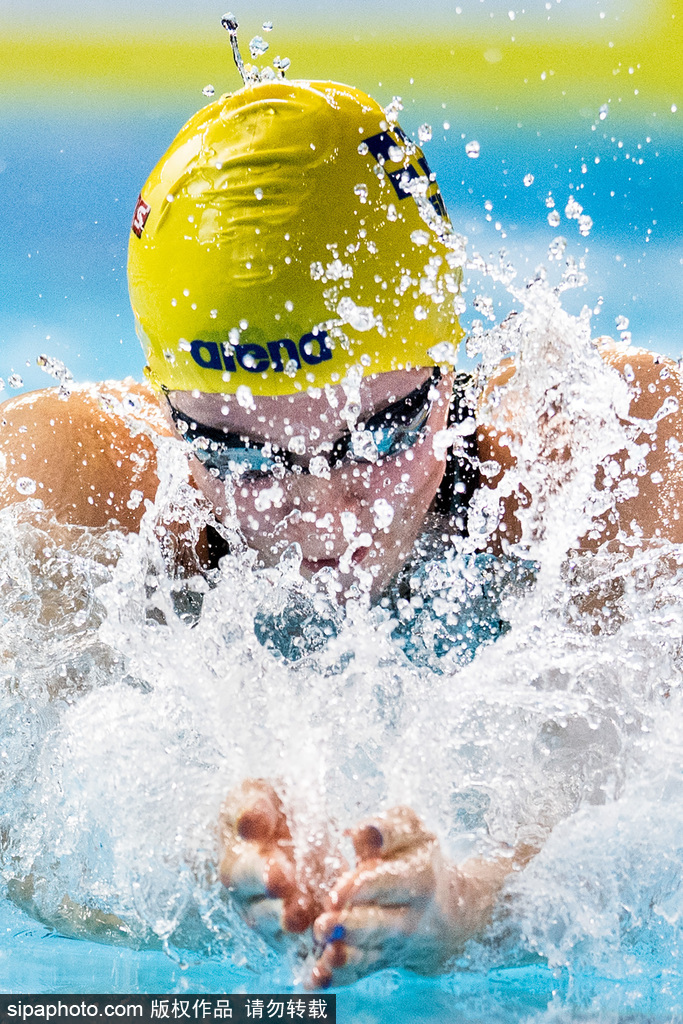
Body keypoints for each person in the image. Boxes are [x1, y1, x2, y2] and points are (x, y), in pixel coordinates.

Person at [1, 76, 682, 988]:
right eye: (236, 448)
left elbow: (644, 817)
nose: (318, 507)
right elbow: (24, 845)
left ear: (444, 371)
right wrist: (181, 872)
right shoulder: (60, 489)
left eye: (375, 435)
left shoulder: (611, 463)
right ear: (164, 407)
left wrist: (480, 903)